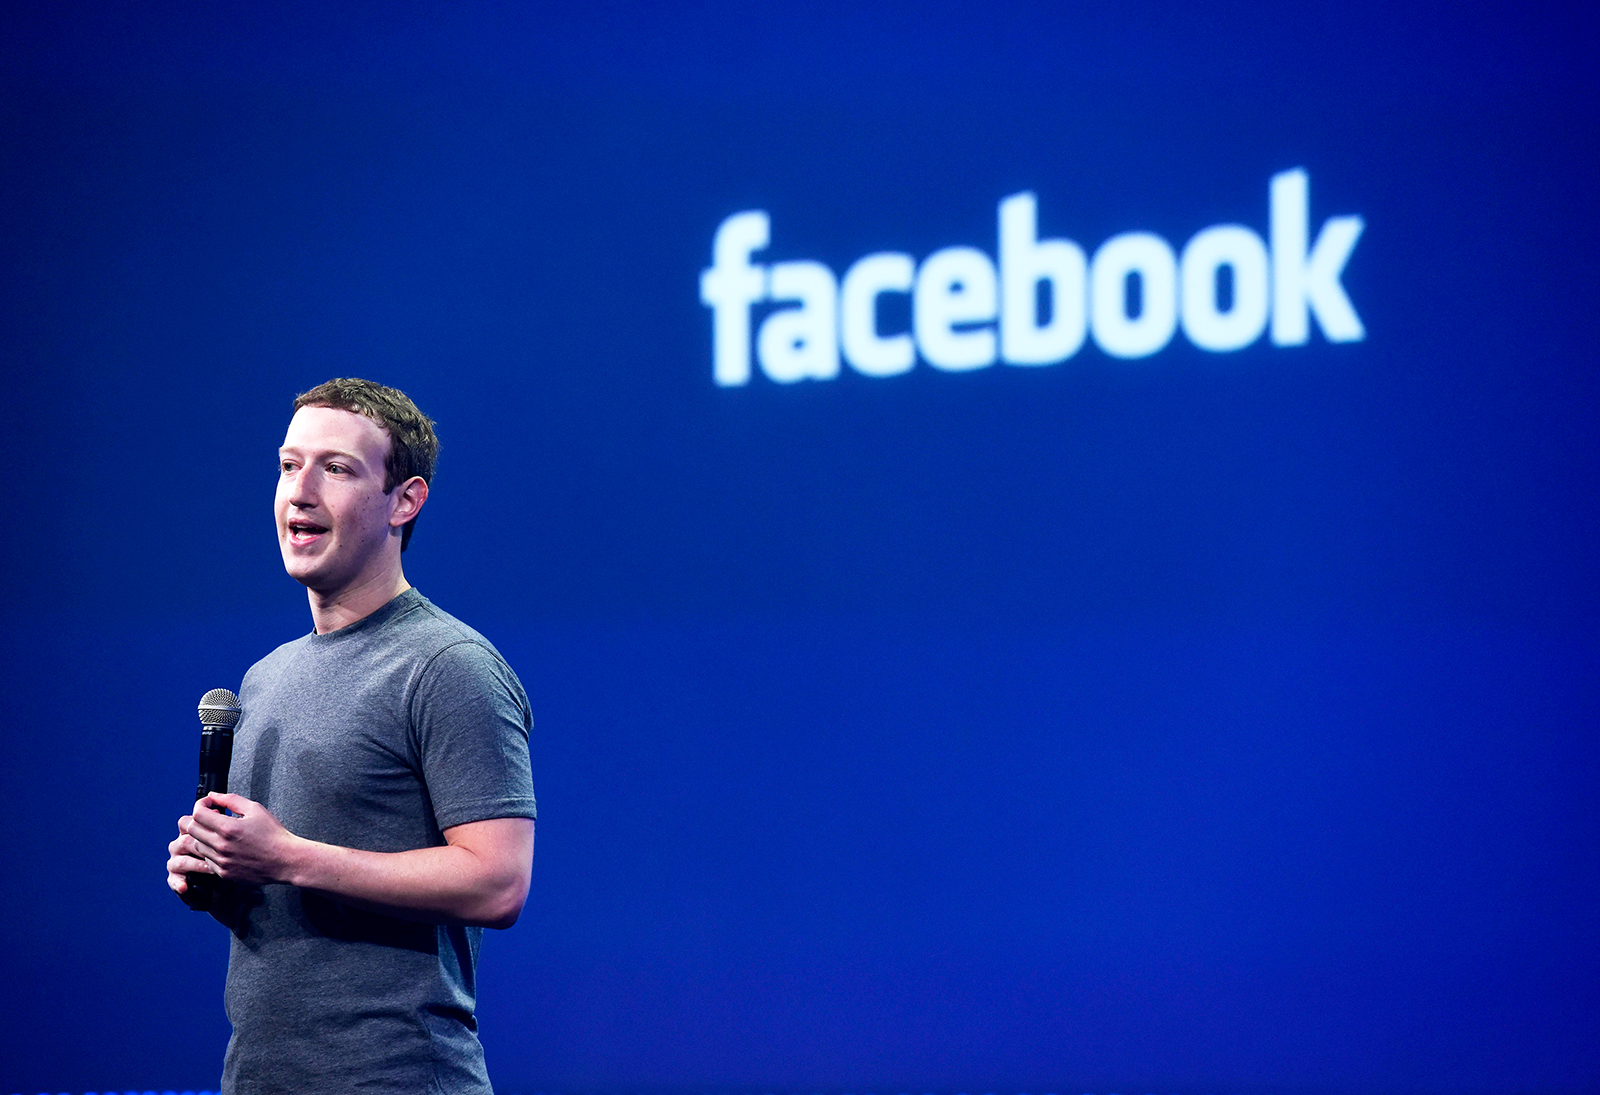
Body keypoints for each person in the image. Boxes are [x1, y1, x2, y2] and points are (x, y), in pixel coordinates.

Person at [166, 378, 537, 1094]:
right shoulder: (265, 677)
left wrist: (289, 855)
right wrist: (222, 877)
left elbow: (499, 881)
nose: (299, 491)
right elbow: (293, 883)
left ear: (405, 501)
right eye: (287, 465)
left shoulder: (447, 666)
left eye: (335, 468)